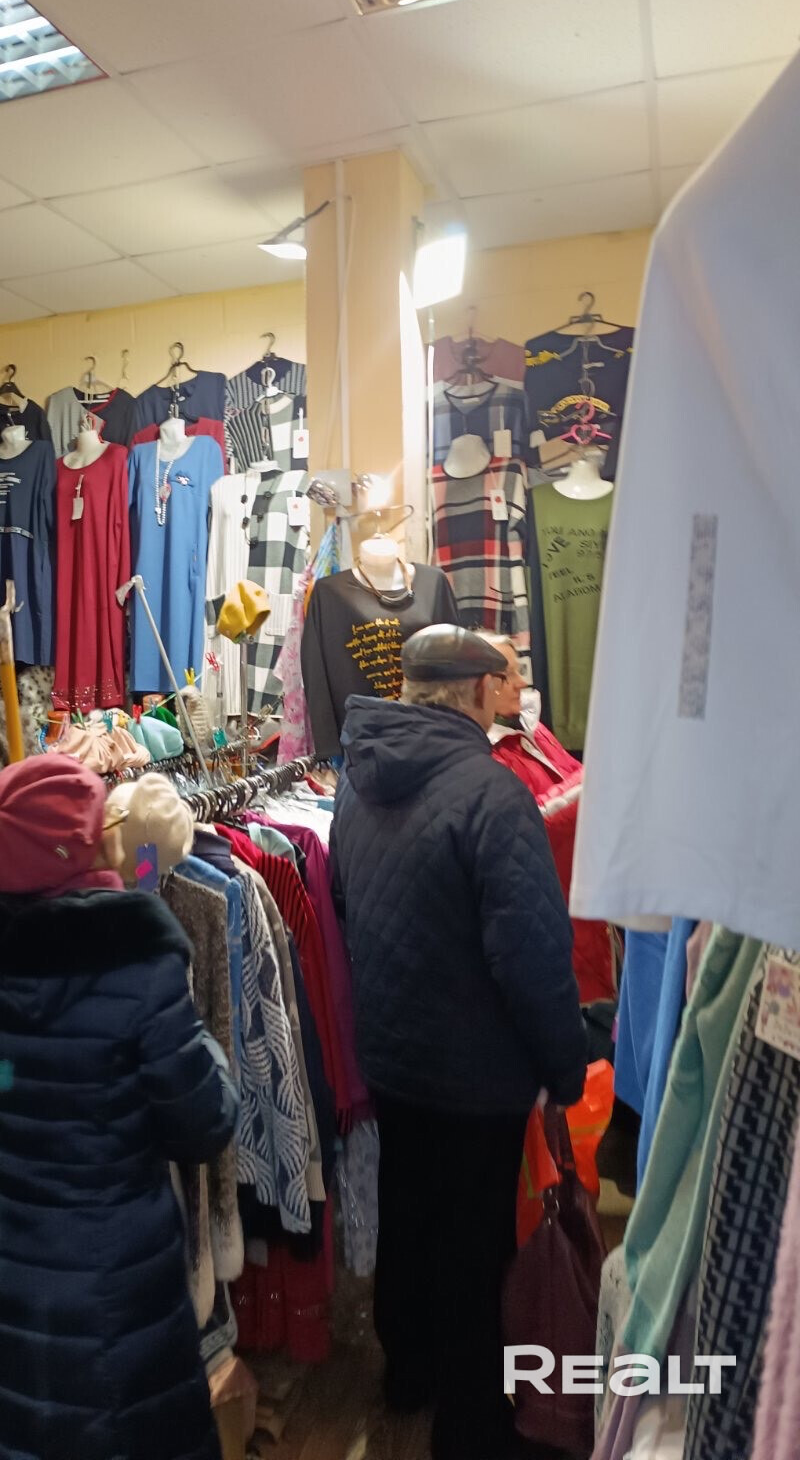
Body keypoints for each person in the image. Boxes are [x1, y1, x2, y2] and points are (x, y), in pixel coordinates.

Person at [0, 755, 238, 1460]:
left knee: (7, 1427)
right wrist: (205, 1046)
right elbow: (205, 1119)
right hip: (112, 1265)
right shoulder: (135, 959)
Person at [331, 625, 587, 1460]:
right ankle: (471, 1428)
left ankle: (409, 1372)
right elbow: (532, 954)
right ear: (479, 691)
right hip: (476, 1073)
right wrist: (564, 1068)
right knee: (476, 1246)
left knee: (408, 1212)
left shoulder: (356, 780)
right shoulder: (491, 794)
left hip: (391, 1050)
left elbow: (343, 899)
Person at [484, 633, 615, 1005]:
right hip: (552, 907)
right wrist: (598, 775)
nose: (521, 683)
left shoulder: (530, 729)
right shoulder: (485, 754)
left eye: (518, 671)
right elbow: (531, 820)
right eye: (508, 675)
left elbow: (574, 778)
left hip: (583, 893)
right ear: (481, 685)